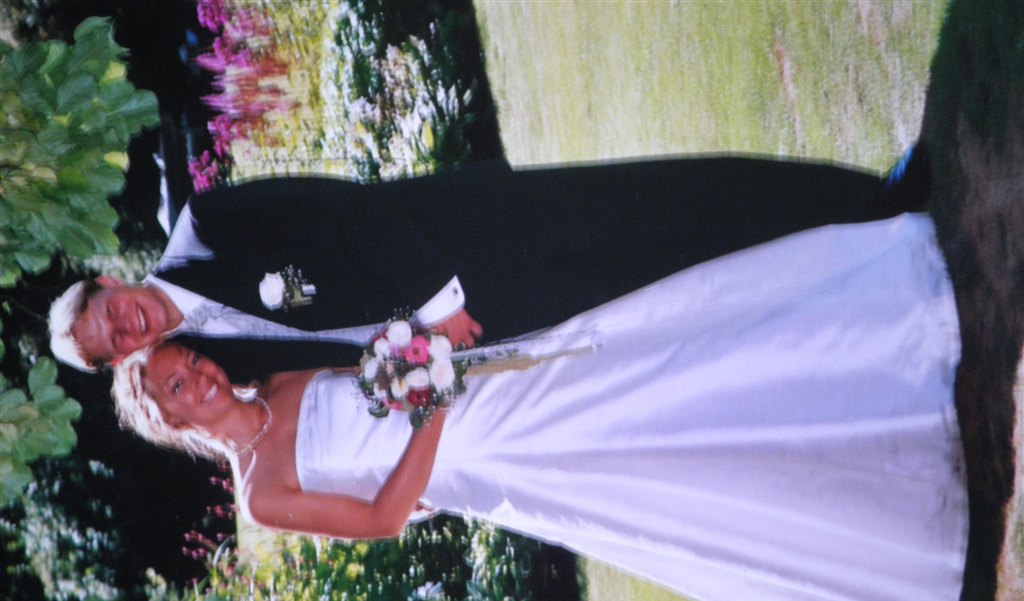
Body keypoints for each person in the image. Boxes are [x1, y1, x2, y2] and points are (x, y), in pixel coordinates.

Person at [112, 213, 965, 601]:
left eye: (192, 363)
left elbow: (377, 361)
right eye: (181, 388)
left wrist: (426, 362)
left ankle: (859, 367)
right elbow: (384, 514)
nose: (202, 378)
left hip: (488, 386)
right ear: (174, 423)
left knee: (653, 368)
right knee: (647, 472)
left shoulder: (281, 382)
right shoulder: (262, 492)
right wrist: (433, 409)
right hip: (482, 452)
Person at [53, 153, 925, 382]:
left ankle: (870, 197)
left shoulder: (205, 227)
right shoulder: (214, 361)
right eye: (111, 345)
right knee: (673, 277)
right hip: (486, 327)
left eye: (109, 313)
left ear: (113, 281)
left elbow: (343, 208)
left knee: (672, 201)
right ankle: (865, 256)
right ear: (120, 361)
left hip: (476, 235)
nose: (126, 328)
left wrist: (436, 303)